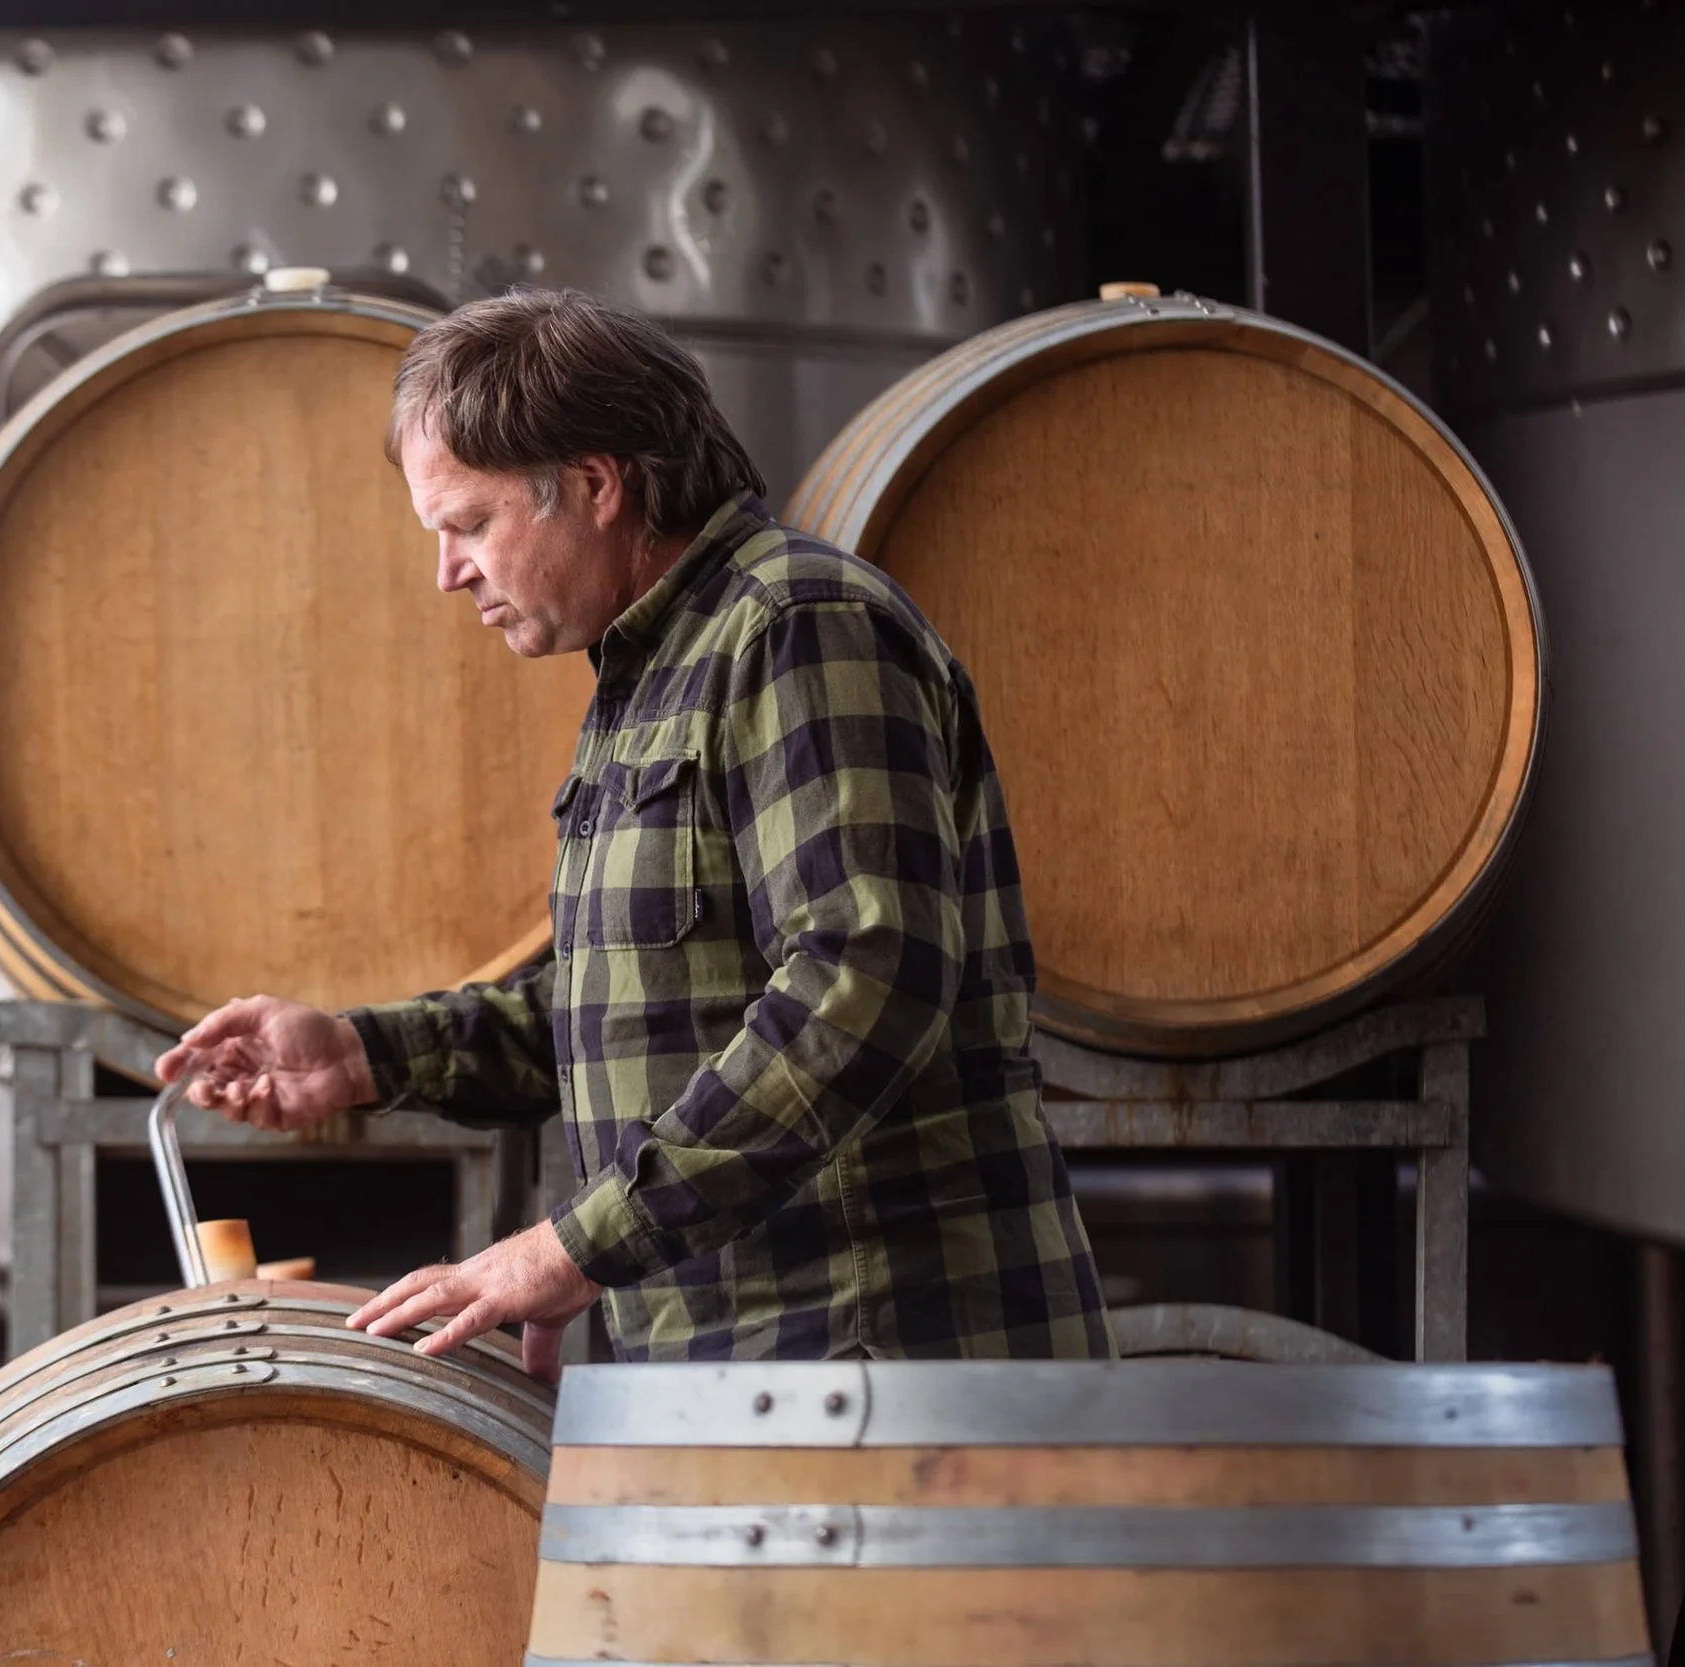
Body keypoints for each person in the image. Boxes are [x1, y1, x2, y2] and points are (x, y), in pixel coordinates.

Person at [154, 287, 1108, 1379]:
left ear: (597, 485)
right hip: (749, 1366)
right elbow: (625, 1007)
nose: (447, 570)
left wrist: (574, 1248)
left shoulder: (795, 628)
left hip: (880, 1351)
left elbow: (866, 976)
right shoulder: (654, 672)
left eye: (469, 523)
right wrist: (365, 1052)